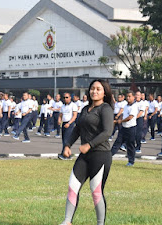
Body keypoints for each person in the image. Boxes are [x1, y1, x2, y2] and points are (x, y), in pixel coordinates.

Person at [60, 79, 114, 225]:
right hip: (85, 156)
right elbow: (77, 129)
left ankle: (100, 223)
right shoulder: (85, 109)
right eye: (92, 88)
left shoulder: (105, 109)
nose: (94, 91)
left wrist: (89, 145)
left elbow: (107, 132)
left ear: (104, 92)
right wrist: (67, 145)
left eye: (98, 89)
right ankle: (67, 221)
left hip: (101, 155)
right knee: (72, 186)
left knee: (96, 192)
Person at [111, 92, 138, 166]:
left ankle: (131, 161)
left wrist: (120, 121)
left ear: (133, 97)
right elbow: (123, 115)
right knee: (117, 142)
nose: (128, 98)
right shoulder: (126, 105)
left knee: (130, 145)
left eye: (129, 96)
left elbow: (130, 117)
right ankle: (108, 157)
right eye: (127, 96)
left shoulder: (134, 106)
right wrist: (119, 119)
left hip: (131, 128)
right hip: (124, 128)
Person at [58, 92, 78, 160]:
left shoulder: (73, 105)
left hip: (70, 124)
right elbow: (61, 115)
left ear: (70, 98)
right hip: (64, 123)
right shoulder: (63, 106)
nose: (65, 99)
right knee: (64, 139)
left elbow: (74, 116)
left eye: (67, 97)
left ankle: (64, 154)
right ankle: (68, 155)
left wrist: (69, 123)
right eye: (64, 97)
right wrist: (59, 120)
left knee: (66, 140)